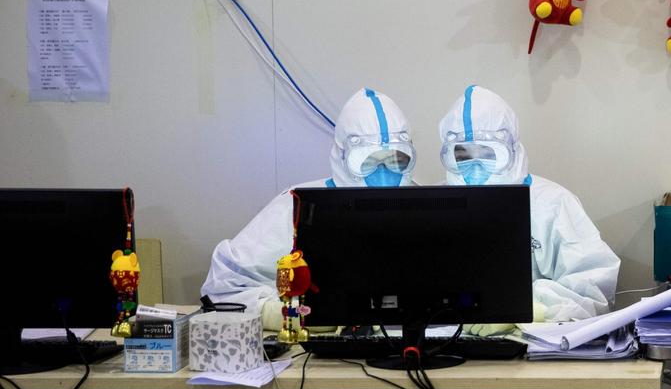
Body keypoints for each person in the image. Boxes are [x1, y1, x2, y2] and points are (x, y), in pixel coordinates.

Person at [201, 88, 418, 329]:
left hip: (417, 345)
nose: (384, 176)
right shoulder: (298, 206)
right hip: (325, 355)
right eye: (368, 162)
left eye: (395, 160)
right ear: (343, 156)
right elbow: (223, 290)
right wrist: (285, 314)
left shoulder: (428, 206)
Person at [437, 85, 619, 333]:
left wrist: (532, 310)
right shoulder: (434, 206)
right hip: (445, 347)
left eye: (488, 153)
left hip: (535, 343)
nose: (476, 167)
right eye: (463, 155)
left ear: (511, 149)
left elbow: (593, 284)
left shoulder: (553, 203)